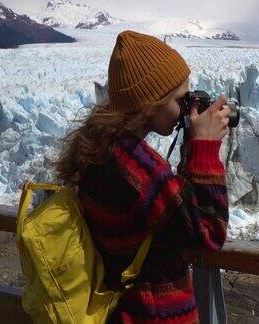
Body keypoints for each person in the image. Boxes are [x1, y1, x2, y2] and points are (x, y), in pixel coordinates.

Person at [55, 30, 230, 323]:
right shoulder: (133, 166)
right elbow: (208, 232)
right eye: (179, 99)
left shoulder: (104, 149)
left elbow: (173, 212)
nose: (185, 109)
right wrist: (205, 149)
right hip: (153, 314)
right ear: (151, 103)